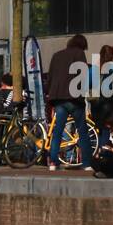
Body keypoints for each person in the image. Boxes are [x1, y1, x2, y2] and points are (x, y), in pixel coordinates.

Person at [47, 35, 94, 173]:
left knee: (58, 132)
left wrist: (50, 95)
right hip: (74, 99)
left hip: (58, 98)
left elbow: (50, 77)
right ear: (82, 45)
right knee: (82, 131)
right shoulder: (79, 54)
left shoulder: (56, 55)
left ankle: (53, 163)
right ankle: (86, 163)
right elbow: (83, 74)